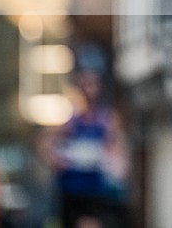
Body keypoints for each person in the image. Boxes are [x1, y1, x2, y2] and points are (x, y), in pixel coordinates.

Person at [45, 69, 130, 228]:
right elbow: (45, 142)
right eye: (86, 85)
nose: (90, 91)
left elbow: (119, 150)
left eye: (93, 85)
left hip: (97, 188)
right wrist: (55, 160)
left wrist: (116, 164)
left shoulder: (107, 120)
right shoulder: (70, 121)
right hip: (71, 188)